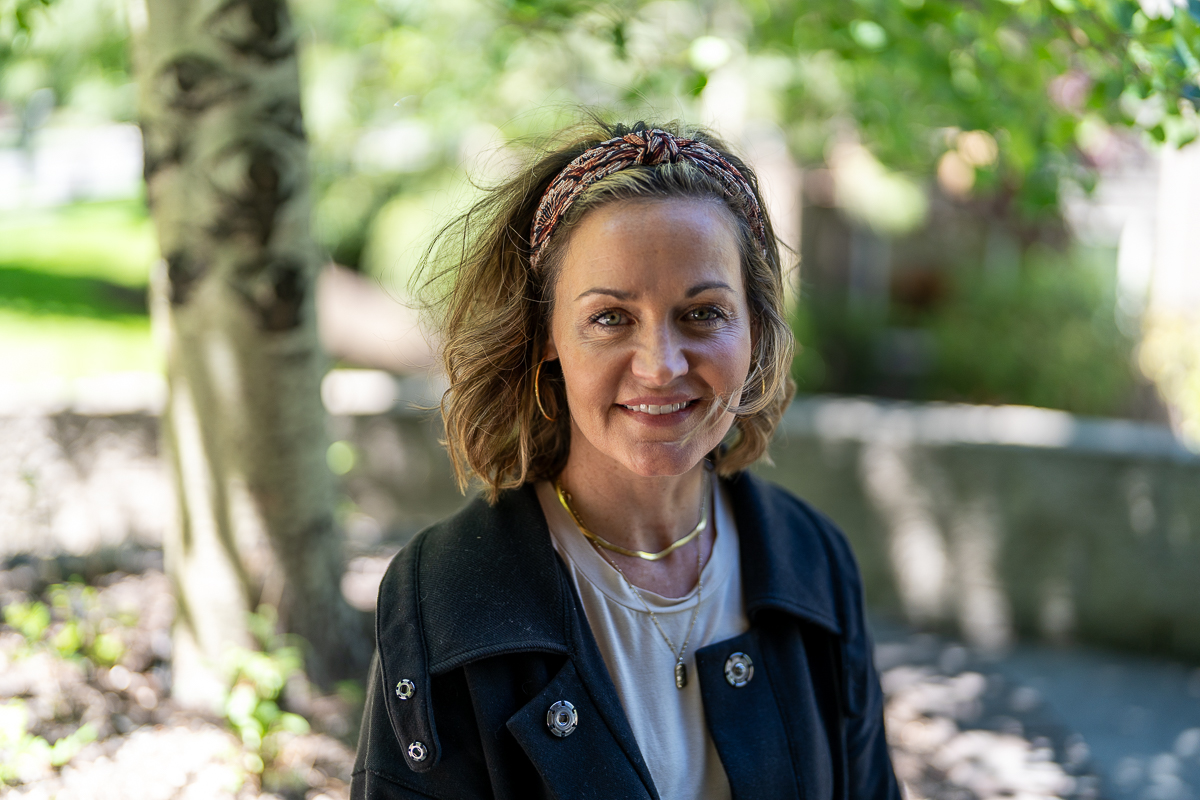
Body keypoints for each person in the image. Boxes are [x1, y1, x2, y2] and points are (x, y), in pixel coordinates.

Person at [351, 120, 900, 800]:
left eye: (703, 314)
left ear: (753, 330)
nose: (660, 367)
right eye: (610, 318)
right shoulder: (447, 592)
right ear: (546, 333)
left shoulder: (812, 561)